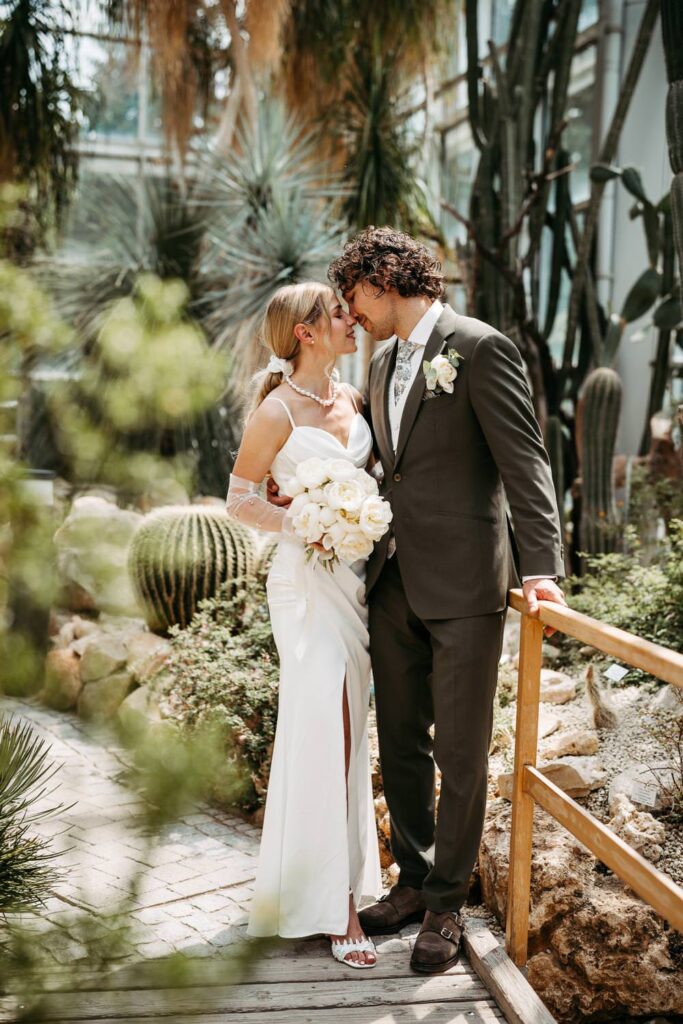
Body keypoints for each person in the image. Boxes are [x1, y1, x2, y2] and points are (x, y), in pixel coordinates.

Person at [325, 226, 568, 974]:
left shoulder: (479, 346)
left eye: (354, 295)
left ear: (386, 279)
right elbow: (384, 464)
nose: (350, 311)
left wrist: (540, 567)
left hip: (464, 584)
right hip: (391, 578)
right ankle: (411, 878)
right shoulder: (382, 360)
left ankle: (445, 906)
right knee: (399, 740)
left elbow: (522, 459)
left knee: (462, 753)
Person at [225, 281, 381, 969]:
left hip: (353, 586)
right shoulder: (277, 410)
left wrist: (352, 523)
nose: (352, 320)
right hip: (302, 582)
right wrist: (309, 523)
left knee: (346, 732)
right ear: (306, 333)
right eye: (338, 314)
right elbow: (238, 498)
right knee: (323, 726)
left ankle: (316, 889)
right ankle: (337, 906)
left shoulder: (352, 398)